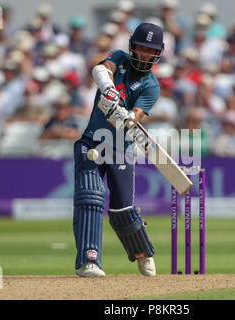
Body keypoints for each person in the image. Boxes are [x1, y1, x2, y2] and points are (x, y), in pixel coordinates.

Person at [72, 23, 163, 277]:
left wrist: (125, 117)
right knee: (89, 196)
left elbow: (136, 118)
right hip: (91, 142)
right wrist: (109, 91)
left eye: (150, 51)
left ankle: (142, 251)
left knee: (123, 209)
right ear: (132, 47)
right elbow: (101, 69)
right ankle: (89, 261)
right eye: (141, 48)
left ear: (158, 54)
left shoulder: (151, 86)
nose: (144, 54)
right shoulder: (120, 58)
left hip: (120, 148)